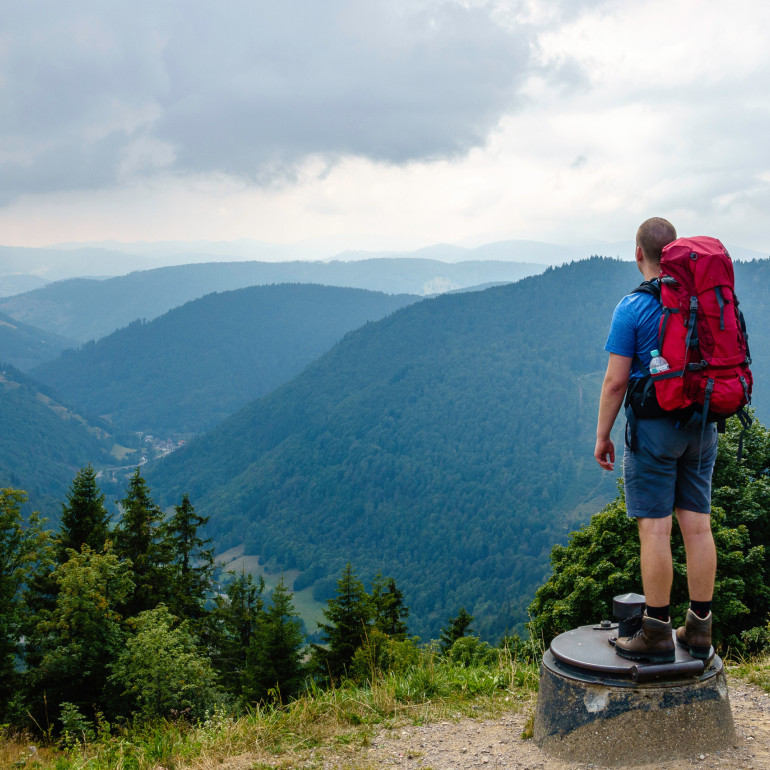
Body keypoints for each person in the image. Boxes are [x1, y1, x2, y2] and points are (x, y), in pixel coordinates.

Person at [594, 217, 717, 663]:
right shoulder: (701, 300)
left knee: (656, 529)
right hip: (703, 426)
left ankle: (657, 630)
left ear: (638, 254)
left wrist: (602, 435)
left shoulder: (632, 307)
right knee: (698, 526)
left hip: (654, 429)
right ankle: (699, 628)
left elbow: (614, 383)